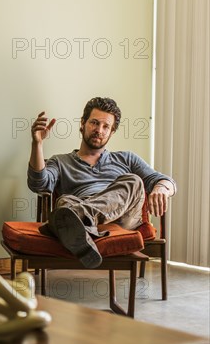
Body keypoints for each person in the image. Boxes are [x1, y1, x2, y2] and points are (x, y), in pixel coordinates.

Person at [28, 97, 176, 268]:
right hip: (79, 218)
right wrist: (37, 144)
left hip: (121, 218)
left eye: (106, 126)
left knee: (133, 181)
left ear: (112, 132)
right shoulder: (61, 161)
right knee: (65, 201)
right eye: (94, 123)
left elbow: (165, 180)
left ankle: (69, 221)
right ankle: (81, 225)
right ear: (82, 124)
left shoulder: (126, 158)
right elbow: (38, 185)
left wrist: (161, 188)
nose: (99, 130)